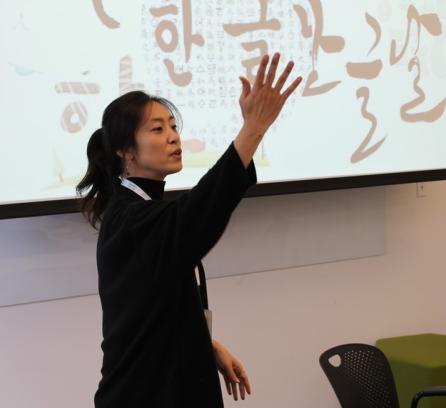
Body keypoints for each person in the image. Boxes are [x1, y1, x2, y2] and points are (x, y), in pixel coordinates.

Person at [76, 52, 302, 407]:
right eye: (157, 129)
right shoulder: (130, 220)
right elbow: (198, 213)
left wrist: (206, 343)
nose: (173, 137)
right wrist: (253, 128)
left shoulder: (141, 211)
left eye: (173, 126)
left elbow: (151, 306)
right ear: (125, 151)